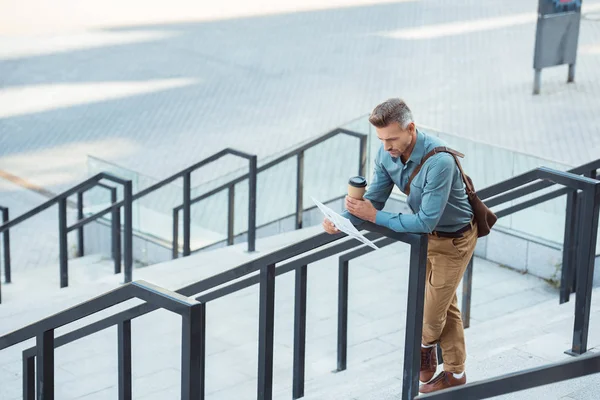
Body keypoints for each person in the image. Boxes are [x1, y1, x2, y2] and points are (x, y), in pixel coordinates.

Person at [322, 98, 477, 393]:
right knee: (446, 305)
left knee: (432, 314)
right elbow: (375, 199)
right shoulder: (386, 154)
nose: (387, 146)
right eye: (381, 139)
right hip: (426, 241)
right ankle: (456, 376)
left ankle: (424, 347)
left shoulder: (439, 162)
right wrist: (340, 221)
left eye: (392, 138)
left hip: (455, 240)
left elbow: (425, 221)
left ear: (411, 128)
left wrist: (375, 216)